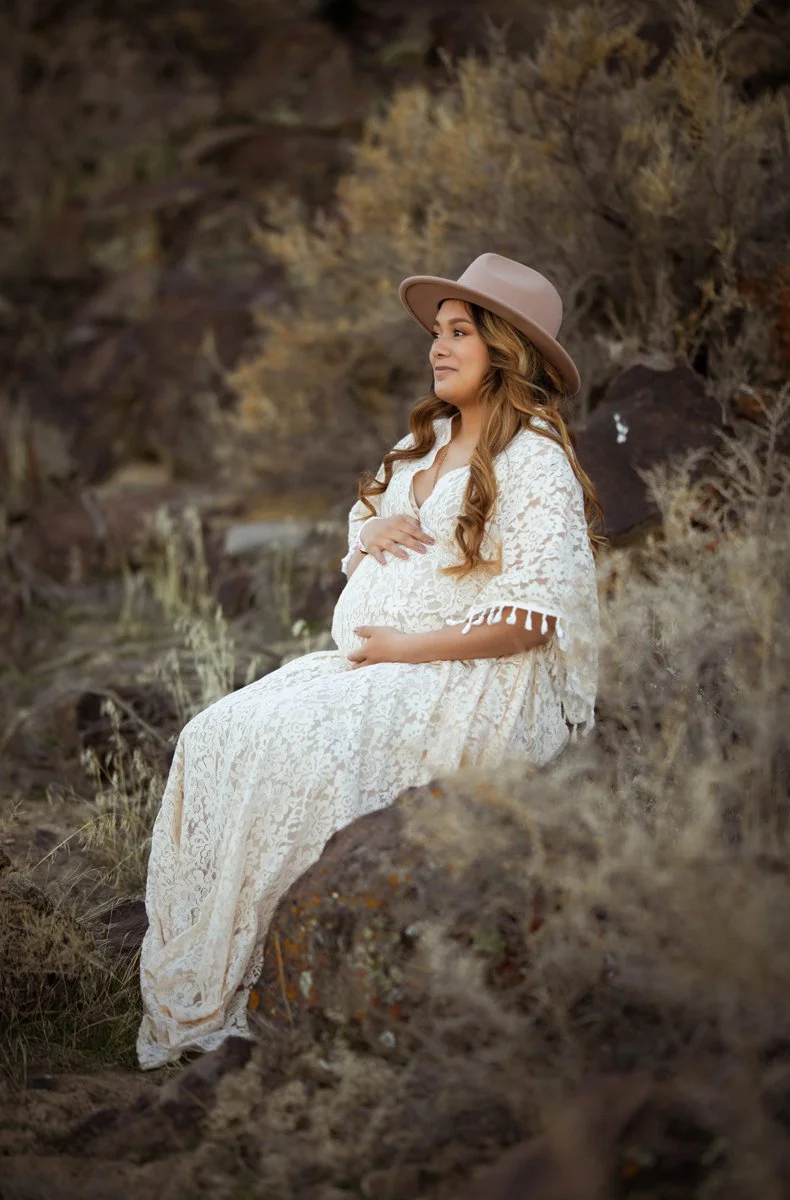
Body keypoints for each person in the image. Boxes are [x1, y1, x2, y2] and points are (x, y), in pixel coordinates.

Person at [136, 252, 603, 1070]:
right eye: (437, 333)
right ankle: (219, 973)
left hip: (470, 683)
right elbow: (367, 530)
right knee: (214, 733)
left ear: (507, 348)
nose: (438, 347)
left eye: (461, 332)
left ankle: (277, 987)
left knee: (304, 749)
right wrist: (371, 534)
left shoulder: (536, 461)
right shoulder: (419, 448)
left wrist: (405, 650)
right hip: (376, 664)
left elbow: (533, 620)